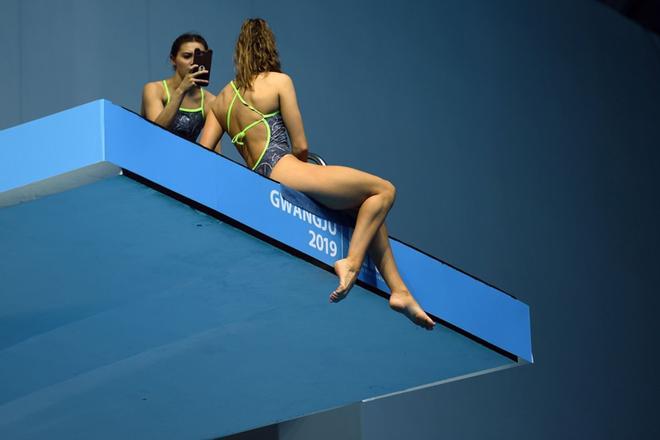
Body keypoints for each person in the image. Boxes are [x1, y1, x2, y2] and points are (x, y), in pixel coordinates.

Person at [200, 19, 434, 330]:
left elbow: (204, 153)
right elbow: (301, 144)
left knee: (365, 211)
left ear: (237, 52)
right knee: (383, 191)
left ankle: (400, 291)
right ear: (268, 47)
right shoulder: (279, 81)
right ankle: (350, 263)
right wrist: (304, 171)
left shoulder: (222, 100)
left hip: (259, 179)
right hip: (288, 169)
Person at [141, 33, 215, 143]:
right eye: (187, 56)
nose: (193, 62)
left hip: (185, 159)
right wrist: (181, 90)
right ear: (173, 59)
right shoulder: (155, 89)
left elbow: (215, 153)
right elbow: (155, 134)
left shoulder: (209, 101)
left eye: (199, 56)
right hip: (151, 156)